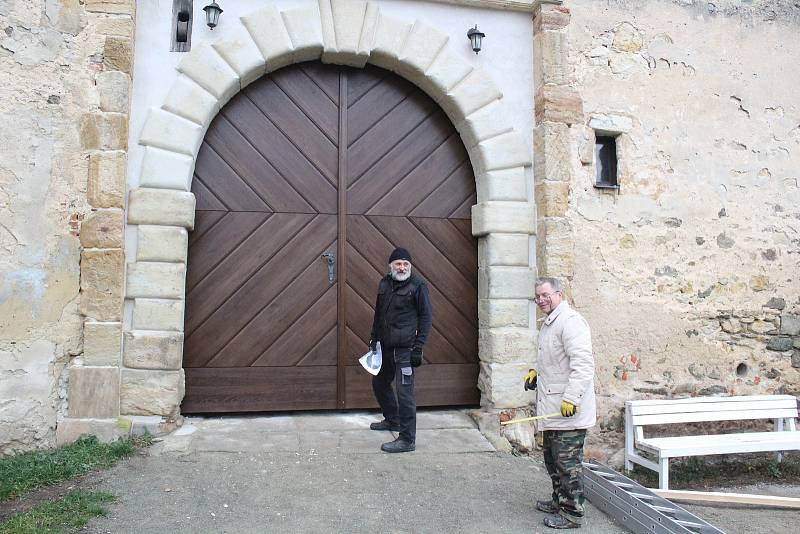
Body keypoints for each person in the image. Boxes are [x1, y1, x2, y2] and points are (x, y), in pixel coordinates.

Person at [524, 277, 596, 529]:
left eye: (546, 295)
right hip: (552, 407)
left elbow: (583, 366)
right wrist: (535, 372)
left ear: (559, 295)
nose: (542, 300)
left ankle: (572, 512)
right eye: (538, 297)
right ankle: (559, 500)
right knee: (552, 459)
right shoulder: (550, 323)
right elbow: (550, 358)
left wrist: (571, 399)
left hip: (568, 409)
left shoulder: (571, 322)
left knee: (568, 464)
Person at [368, 247, 432, 453]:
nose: (402, 267)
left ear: (410, 266)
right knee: (379, 382)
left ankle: (407, 440)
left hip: (405, 350)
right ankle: (392, 419)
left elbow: (426, 318)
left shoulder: (418, 286)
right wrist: (374, 339)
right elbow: (378, 314)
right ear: (391, 266)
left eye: (405, 264)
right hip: (386, 347)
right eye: (398, 264)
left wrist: (418, 347)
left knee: (405, 395)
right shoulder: (384, 283)